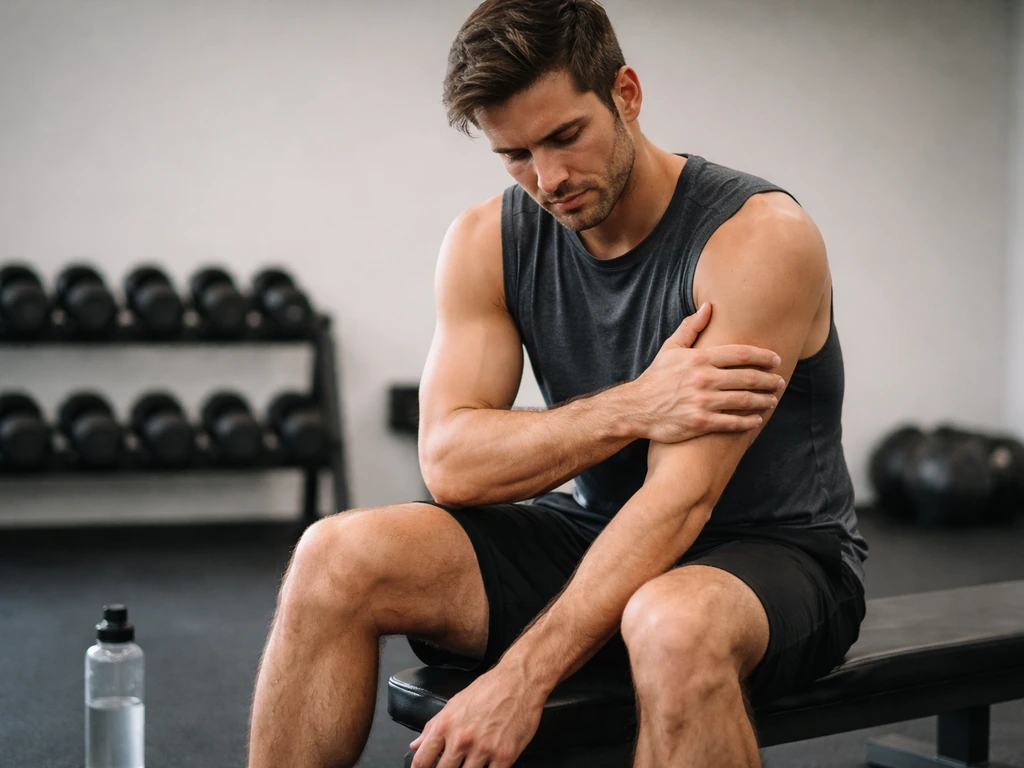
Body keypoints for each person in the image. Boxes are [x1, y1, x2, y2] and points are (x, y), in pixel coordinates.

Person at [247, 1, 869, 766]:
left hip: (773, 556)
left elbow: (682, 500)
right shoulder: (488, 239)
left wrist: (521, 678)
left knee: (671, 623)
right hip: (599, 533)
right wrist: (635, 405)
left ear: (626, 94)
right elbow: (450, 464)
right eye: (514, 154)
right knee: (334, 554)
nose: (548, 179)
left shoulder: (754, 240)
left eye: (565, 136)